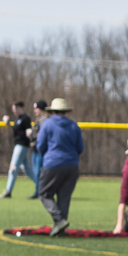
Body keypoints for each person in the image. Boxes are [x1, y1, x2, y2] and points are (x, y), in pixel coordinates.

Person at [35, 97, 83, 236]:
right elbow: (80, 147)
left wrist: (48, 158)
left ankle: (59, 220)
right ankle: (60, 229)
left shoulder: (47, 124)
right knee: (64, 197)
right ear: (65, 111)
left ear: (52, 111)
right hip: (72, 165)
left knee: (44, 193)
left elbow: (40, 145)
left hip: (52, 164)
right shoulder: (74, 125)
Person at [0, 101, 34, 199]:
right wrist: (8, 123)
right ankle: (42, 187)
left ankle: (8, 191)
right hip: (20, 146)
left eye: (15, 108)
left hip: (22, 146)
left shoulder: (26, 118)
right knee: (28, 170)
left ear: (20, 108)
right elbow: (15, 130)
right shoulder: (18, 118)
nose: (13, 111)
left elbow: (27, 132)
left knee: (13, 168)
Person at [27, 99, 48, 200]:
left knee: (38, 172)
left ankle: (40, 192)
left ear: (41, 109)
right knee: (36, 172)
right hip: (36, 149)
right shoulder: (39, 119)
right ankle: (38, 192)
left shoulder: (44, 120)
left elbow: (42, 134)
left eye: (37, 109)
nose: (35, 111)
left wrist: (31, 134)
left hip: (41, 149)